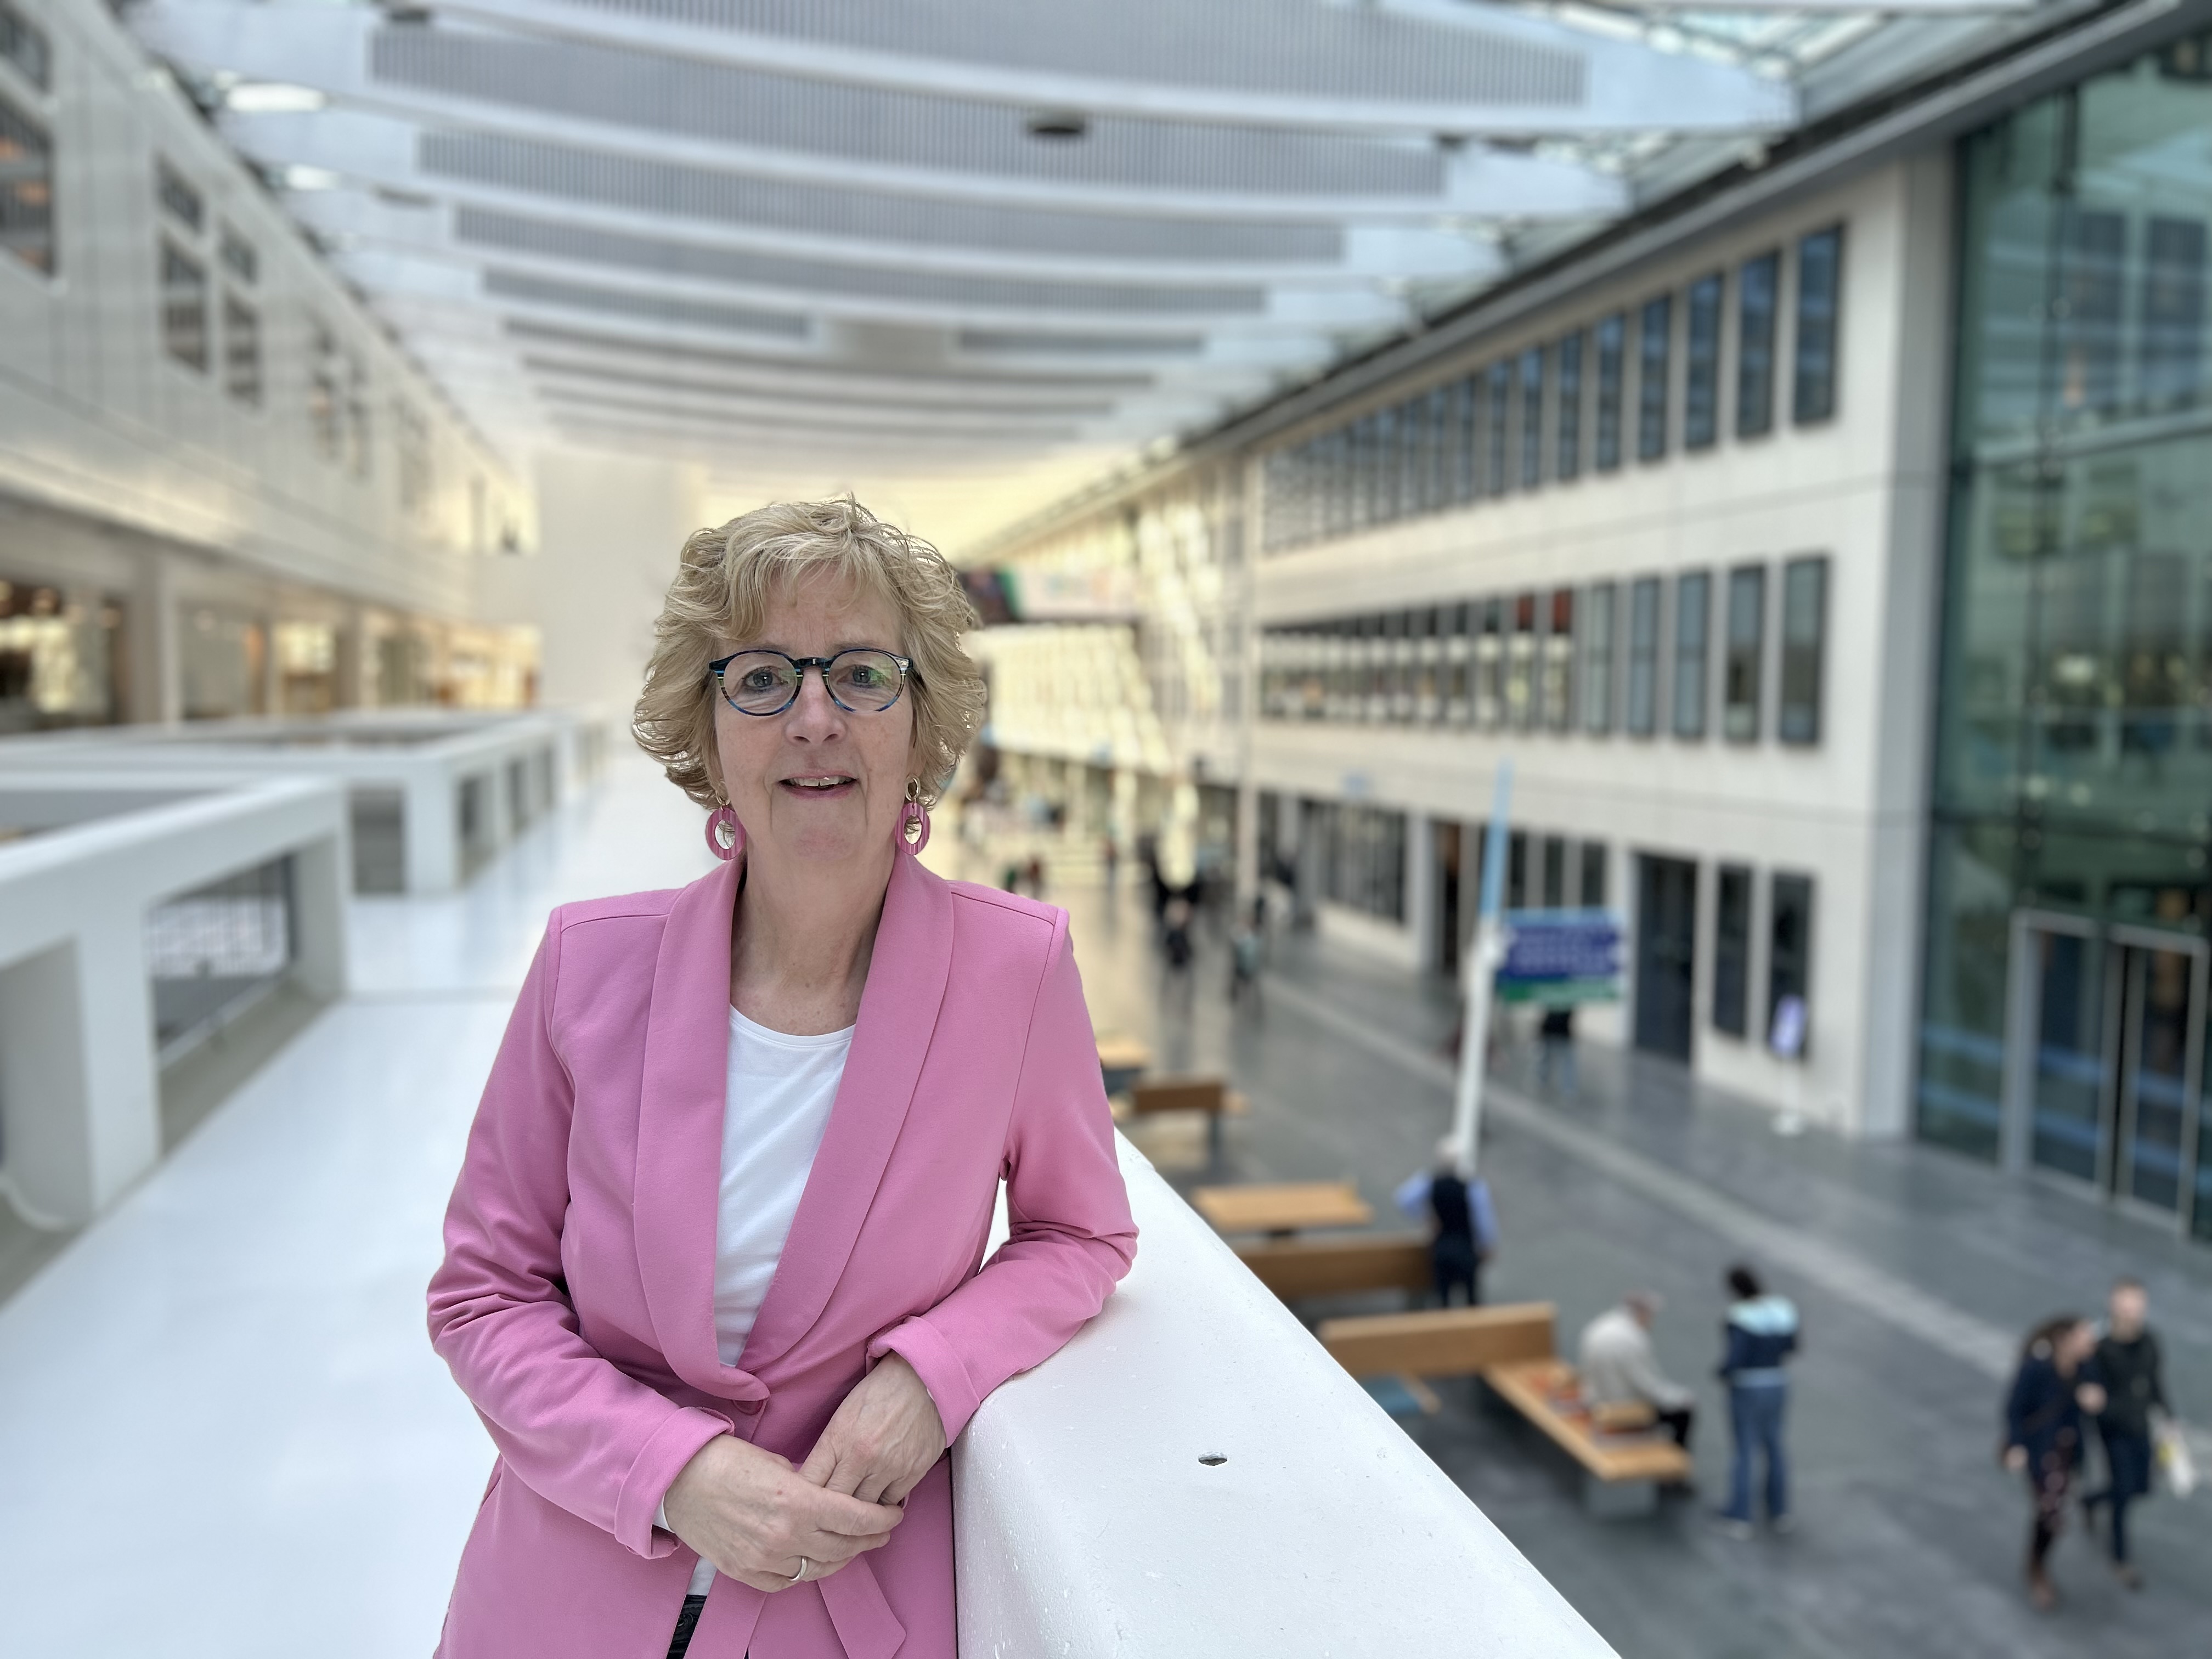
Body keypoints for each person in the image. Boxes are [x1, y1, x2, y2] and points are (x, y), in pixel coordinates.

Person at [426, 500, 1139, 1659]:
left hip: (841, 1611)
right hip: (558, 1603)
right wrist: (673, 1470)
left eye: (861, 674)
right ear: (707, 734)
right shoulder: (583, 965)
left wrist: (933, 1375)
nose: (815, 717)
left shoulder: (1018, 970)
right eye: (761, 679)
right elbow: (482, 1296)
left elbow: (1082, 1234)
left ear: (921, 722)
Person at [2004, 1314, 2109, 1612]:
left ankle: (2038, 1560)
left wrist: (2095, 1397)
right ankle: (2036, 1567)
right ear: (2066, 1340)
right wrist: (2016, 1444)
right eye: (2084, 1337)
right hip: (2042, 1450)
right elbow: (2015, 1409)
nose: (2090, 1343)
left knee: (2054, 1507)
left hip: (2068, 1449)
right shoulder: (2037, 1367)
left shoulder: (2086, 1367)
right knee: (2051, 1510)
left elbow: (2097, 1390)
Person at [2082, 1277, 2168, 1588]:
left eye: (2138, 1305)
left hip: (2140, 1424)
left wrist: (2168, 1416)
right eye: (2127, 1305)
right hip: (2113, 1429)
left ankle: (2091, 1501)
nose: (2133, 1312)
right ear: (2114, 1306)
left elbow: (2155, 1381)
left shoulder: (2150, 1341)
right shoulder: (2100, 1346)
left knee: (2141, 1486)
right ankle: (2121, 1559)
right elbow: (2088, 1389)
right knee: (2122, 1491)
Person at [1715, 1265, 1798, 1539]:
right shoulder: (1782, 1308)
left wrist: (1723, 1373)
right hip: (1777, 1382)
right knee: (1774, 1446)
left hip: (1748, 1386)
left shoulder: (1739, 1316)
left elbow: (1736, 1357)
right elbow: (1793, 1346)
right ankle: (1779, 1511)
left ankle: (1740, 1515)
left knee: (1744, 1450)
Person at [1577, 1292, 1696, 1448]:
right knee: (1684, 1412)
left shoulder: (1599, 1325)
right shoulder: (1634, 1338)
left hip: (1594, 1399)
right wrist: (1680, 1398)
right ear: (1642, 1313)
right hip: (1619, 1408)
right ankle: (1677, 1455)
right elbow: (1647, 1386)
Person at [1393, 1140, 1498, 1307]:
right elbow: (1483, 1220)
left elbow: (1404, 1199)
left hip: (1441, 1247)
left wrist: (1426, 1217)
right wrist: (1487, 1245)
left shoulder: (1429, 1182)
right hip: (1465, 1247)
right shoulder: (1473, 1187)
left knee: (1443, 1299)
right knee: (1472, 1298)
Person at [1536, 1005, 1576, 1097]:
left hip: (1561, 1033)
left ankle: (1568, 1087)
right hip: (1551, 1031)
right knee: (1546, 1060)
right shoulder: (1553, 1001)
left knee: (1566, 1063)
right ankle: (1542, 1080)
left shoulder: (1567, 1003)